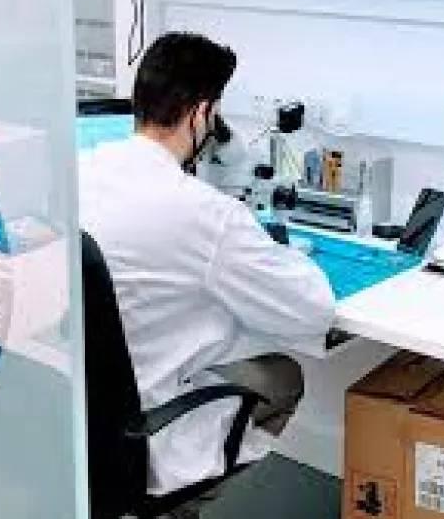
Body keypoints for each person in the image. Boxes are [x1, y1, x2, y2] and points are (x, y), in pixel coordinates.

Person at [78, 32, 336, 515]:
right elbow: (314, 311)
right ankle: (177, 507)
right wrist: (283, 251)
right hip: (139, 432)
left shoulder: (80, 173)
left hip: (77, 421)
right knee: (281, 375)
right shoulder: (203, 213)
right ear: (201, 115)